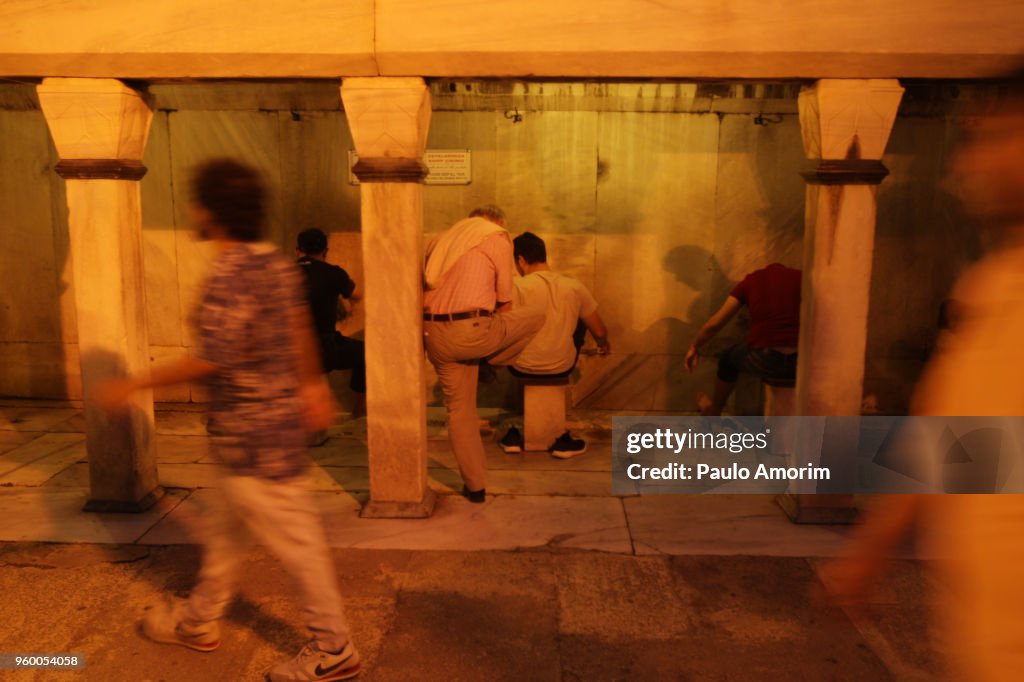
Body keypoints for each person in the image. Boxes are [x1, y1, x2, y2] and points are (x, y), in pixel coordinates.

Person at [93, 159, 359, 682]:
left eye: (196, 202)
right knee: (228, 536)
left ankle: (334, 649)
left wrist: (132, 385)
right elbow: (301, 330)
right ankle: (197, 623)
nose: (192, 210)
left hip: (255, 438)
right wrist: (311, 387)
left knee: (299, 546)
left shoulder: (232, 273)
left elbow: (215, 358)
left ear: (210, 212)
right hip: (261, 435)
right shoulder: (274, 264)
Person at [823, 71, 1024, 680]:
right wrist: (872, 548)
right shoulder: (994, 284)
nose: (966, 164)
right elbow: (956, 431)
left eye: (1000, 136)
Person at [423, 205, 544, 502]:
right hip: (473, 330)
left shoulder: (440, 240)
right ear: (498, 221)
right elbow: (505, 300)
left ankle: (475, 487)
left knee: (460, 412)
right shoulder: (496, 237)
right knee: (537, 316)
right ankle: (492, 363)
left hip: (434, 335)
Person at [498, 232, 610, 457]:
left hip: (520, 365)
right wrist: (603, 345)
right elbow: (599, 330)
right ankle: (560, 441)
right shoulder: (573, 286)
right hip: (562, 364)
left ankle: (516, 439)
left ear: (520, 260)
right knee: (580, 320)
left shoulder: (515, 287)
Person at [684, 263, 801, 416]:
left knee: (728, 359)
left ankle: (715, 410)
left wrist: (694, 346)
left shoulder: (751, 281)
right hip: (801, 362)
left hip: (765, 360)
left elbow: (715, 323)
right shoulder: (802, 278)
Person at [295, 227, 366, 426]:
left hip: (290, 351)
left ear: (297, 249)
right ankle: (358, 413)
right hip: (325, 349)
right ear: (325, 251)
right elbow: (357, 294)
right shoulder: (333, 273)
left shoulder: (284, 273)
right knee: (367, 355)